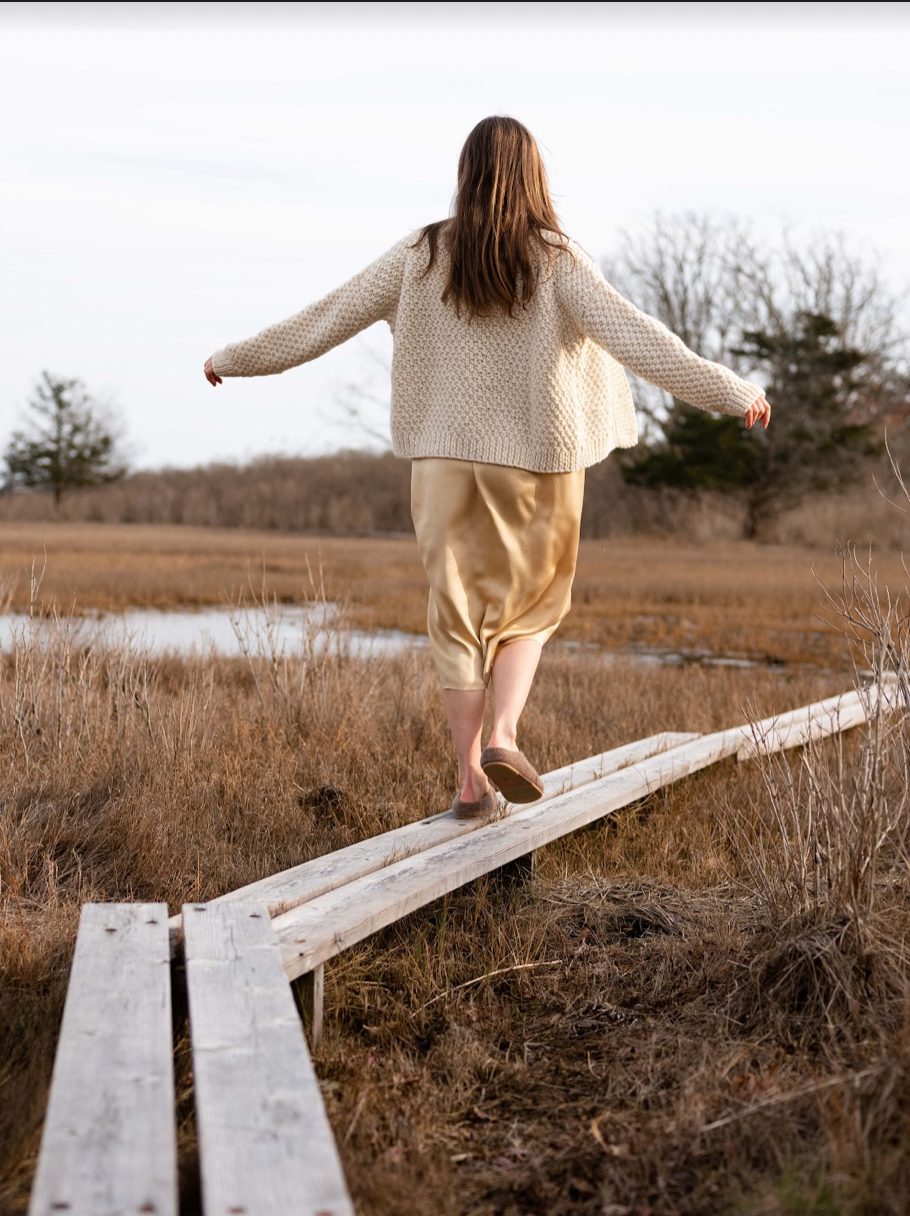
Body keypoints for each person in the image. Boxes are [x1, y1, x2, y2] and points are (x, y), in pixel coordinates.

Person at [204, 115, 771, 823]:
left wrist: (233, 357)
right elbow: (636, 337)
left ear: (466, 173)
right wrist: (732, 390)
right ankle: (505, 734)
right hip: (535, 462)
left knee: (456, 619)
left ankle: (470, 783)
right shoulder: (556, 257)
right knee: (532, 604)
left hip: (441, 462)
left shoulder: (419, 253)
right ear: (534, 175)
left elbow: (327, 317)